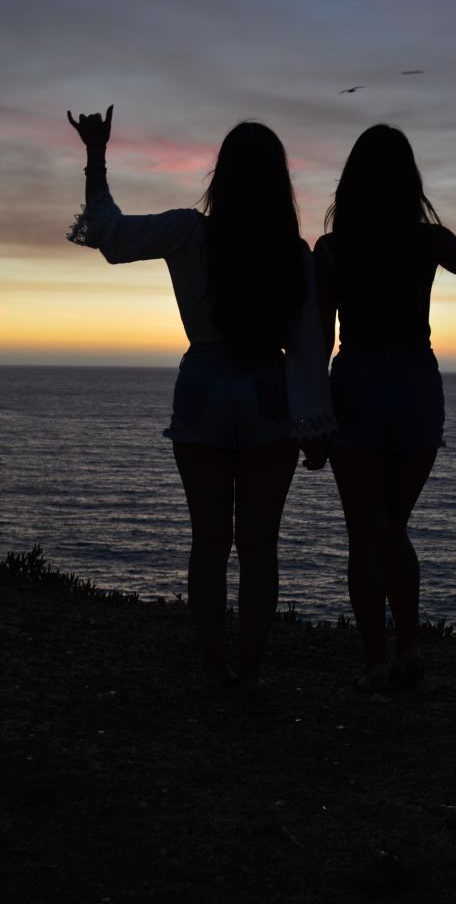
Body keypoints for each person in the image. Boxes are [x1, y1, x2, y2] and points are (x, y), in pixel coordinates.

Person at [67, 107, 333, 691]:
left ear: (221, 175)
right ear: (278, 182)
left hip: (204, 385)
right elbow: (309, 346)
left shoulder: (189, 233)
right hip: (269, 389)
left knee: (208, 540)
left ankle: (214, 668)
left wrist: (95, 153)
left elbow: (109, 235)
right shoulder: (296, 254)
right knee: (259, 547)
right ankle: (252, 672)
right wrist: (315, 423)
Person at [315, 124, 456, 692]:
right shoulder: (427, 240)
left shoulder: (333, 249)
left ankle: (375, 662)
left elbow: (320, 342)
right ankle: (410, 651)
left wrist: (311, 416)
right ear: (408, 178)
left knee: (366, 536)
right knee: (395, 530)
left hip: (358, 384)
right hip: (416, 385)